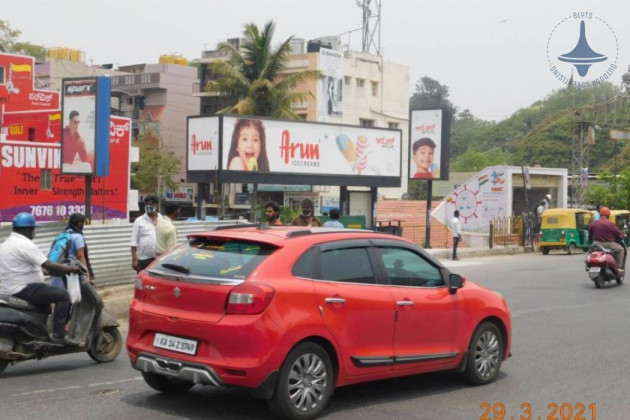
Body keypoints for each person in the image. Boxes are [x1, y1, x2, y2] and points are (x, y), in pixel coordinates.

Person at [0, 213, 84, 345]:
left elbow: (22, 267)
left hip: (10, 288)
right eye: (33, 229)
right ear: (27, 229)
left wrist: (46, 271)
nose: (34, 232)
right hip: (25, 288)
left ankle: (40, 333)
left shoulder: (5, 244)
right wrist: (71, 269)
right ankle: (59, 335)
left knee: (46, 305)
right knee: (63, 295)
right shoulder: (24, 244)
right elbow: (48, 263)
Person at [50, 213, 94, 288]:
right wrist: (87, 274)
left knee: (58, 297)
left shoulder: (62, 234)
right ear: (79, 223)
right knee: (74, 297)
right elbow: (80, 256)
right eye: (82, 223)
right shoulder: (78, 236)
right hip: (70, 272)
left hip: (57, 270)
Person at [589, 206, 626, 272]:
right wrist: (623, 235)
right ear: (608, 215)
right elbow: (618, 233)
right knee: (621, 250)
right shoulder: (610, 223)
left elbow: (590, 232)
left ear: (600, 214)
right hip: (608, 244)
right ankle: (619, 267)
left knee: (590, 251)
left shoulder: (594, 223)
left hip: (596, 243)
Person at [131, 196, 162, 272]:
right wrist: (134, 259)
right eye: (146, 204)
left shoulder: (162, 219)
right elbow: (133, 242)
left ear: (156, 205)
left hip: (159, 258)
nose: (149, 206)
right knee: (143, 280)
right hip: (143, 259)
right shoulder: (139, 221)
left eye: (151, 204)